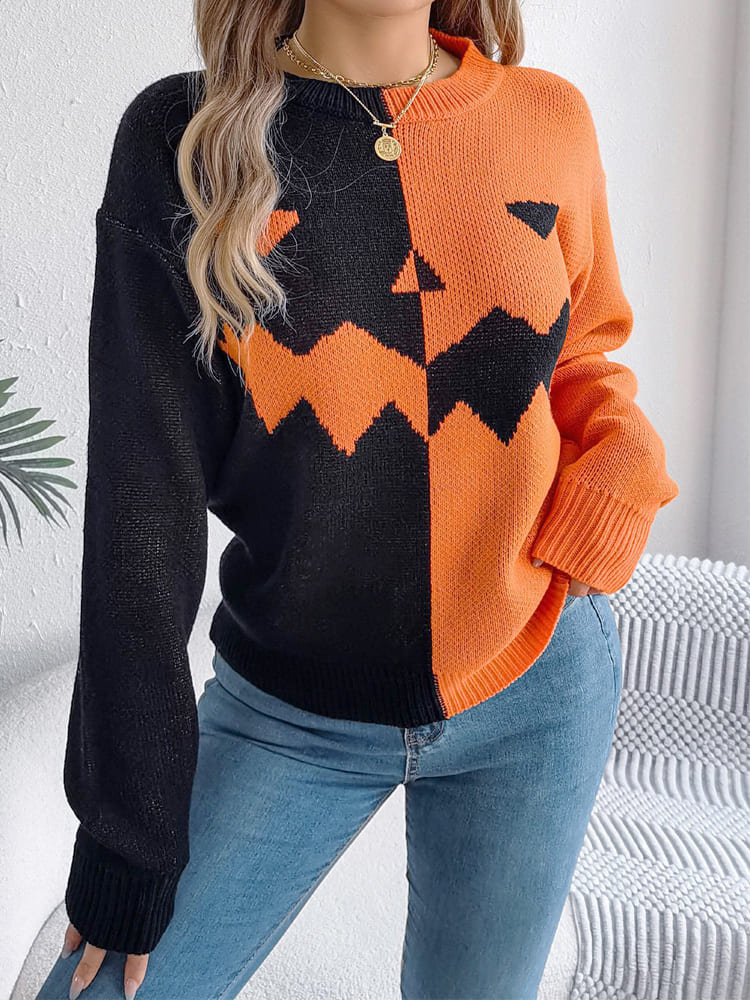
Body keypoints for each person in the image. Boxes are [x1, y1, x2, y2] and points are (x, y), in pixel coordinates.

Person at [35, 2, 679, 998]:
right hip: (290, 708)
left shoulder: (547, 118)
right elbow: (142, 507)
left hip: (537, 682)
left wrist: (618, 483)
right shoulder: (182, 140)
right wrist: (130, 835)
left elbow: (582, 353)